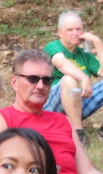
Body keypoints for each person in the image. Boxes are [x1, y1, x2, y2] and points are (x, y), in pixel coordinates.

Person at [43, 11, 103, 143]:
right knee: (69, 79)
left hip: (79, 103)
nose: (75, 33)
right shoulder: (53, 47)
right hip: (53, 105)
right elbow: (61, 63)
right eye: (70, 30)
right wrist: (84, 78)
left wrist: (97, 42)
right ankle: (78, 132)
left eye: (78, 29)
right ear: (60, 32)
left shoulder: (84, 55)